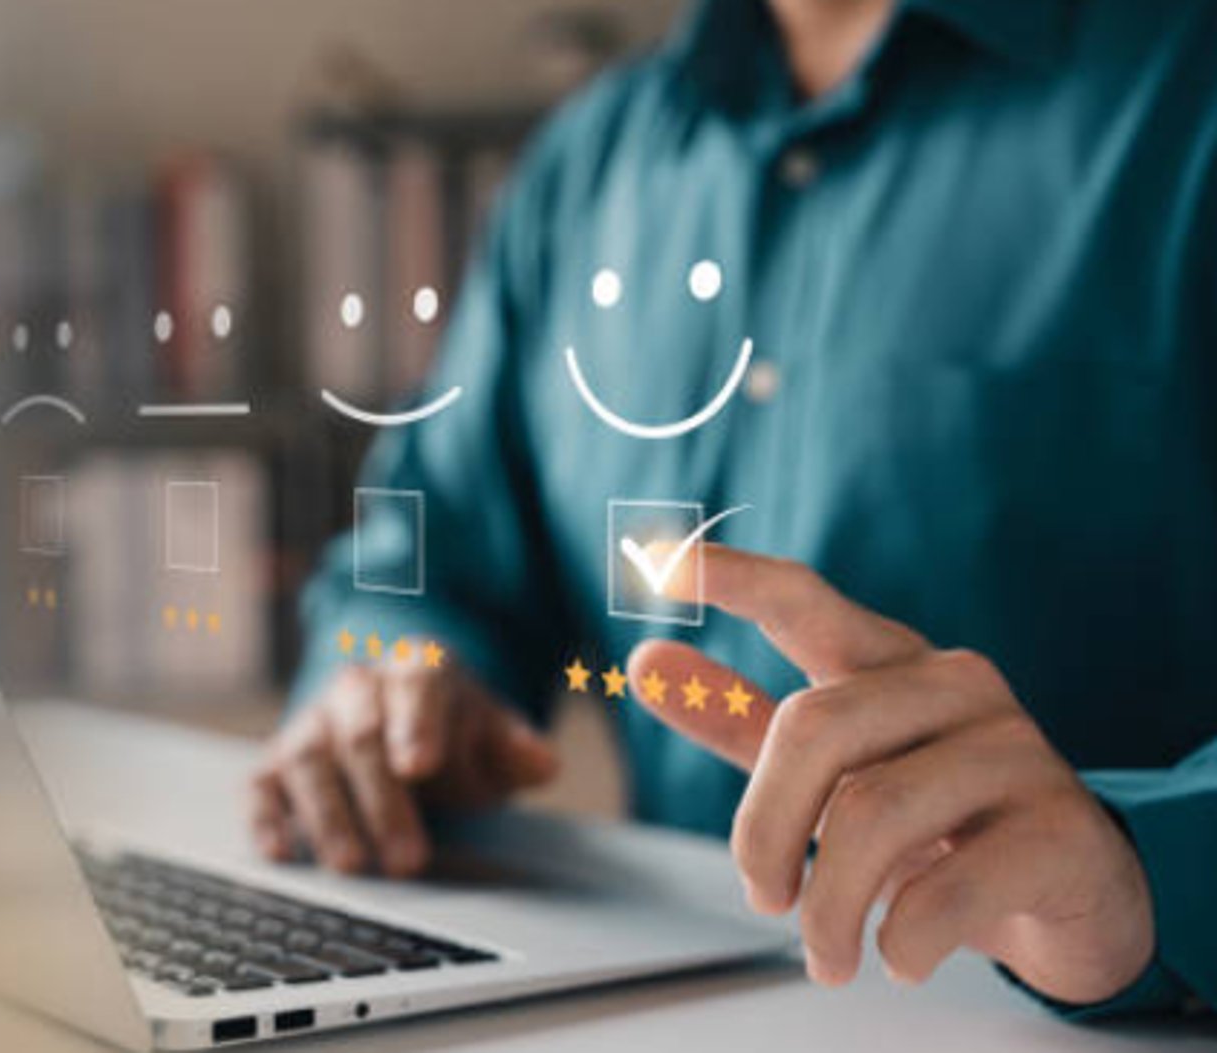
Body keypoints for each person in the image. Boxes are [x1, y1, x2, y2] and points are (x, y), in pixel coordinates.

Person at [251, 0, 1217, 1021]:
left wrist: (1144, 860)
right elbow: (433, 563)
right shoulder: (586, 165)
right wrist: (399, 683)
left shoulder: (1186, 95)